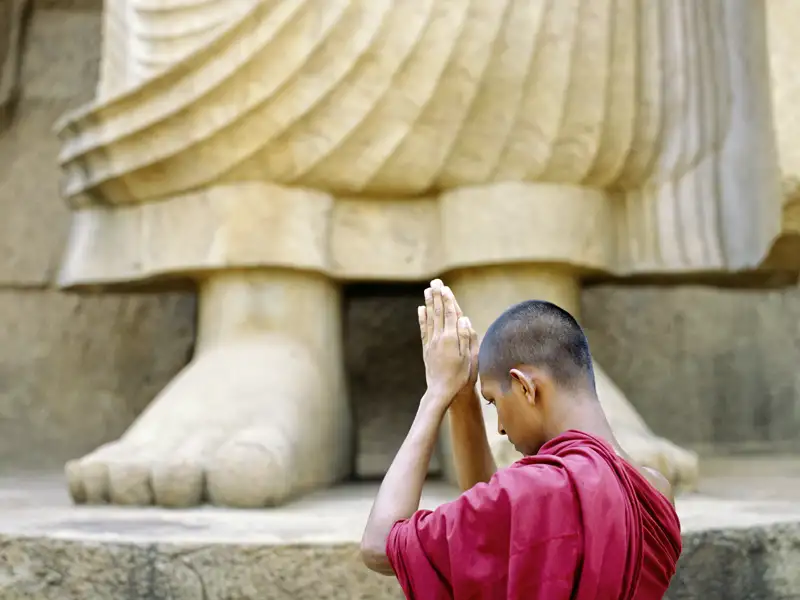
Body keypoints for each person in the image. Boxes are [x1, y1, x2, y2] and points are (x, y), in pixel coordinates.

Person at [360, 279, 682, 599]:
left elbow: (380, 545)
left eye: (494, 403)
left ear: (525, 387)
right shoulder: (656, 492)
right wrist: (463, 398)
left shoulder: (537, 488)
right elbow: (493, 534)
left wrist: (436, 395)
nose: (499, 427)